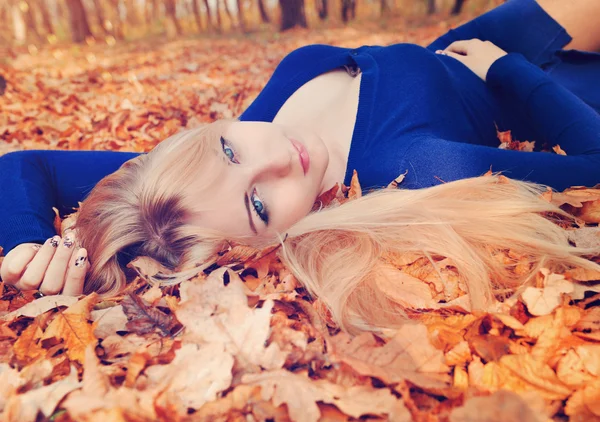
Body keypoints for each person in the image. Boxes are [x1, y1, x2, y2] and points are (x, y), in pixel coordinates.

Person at [1, 0, 600, 334]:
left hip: (476, 36)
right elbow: (593, 164)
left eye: (228, 150)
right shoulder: (410, 164)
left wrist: (23, 242)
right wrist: (506, 70)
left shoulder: (201, 171)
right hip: (540, 87)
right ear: (261, 246)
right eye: (258, 204)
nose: (278, 155)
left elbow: (23, 165)